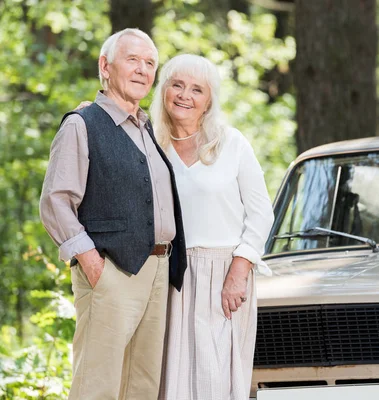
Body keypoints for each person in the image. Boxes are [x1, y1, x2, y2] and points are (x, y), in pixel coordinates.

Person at [39, 28, 187, 400]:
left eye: (150, 63)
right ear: (105, 66)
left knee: (142, 385)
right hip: (111, 271)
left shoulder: (146, 128)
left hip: (157, 270)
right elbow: (56, 201)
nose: (142, 70)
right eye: (132, 60)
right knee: (97, 385)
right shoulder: (82, 124)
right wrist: (92, 264)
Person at [150, 54, 274, 400]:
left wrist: (240, 268)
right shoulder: (150, 145)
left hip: (224, 275)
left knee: (214, 380)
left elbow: (261, 212)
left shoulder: (231, 144)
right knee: (167, 379)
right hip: (167, 274)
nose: (184, 95)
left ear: (208, 102)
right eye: (177, 85)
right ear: (163, 91)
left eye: (196, 89)